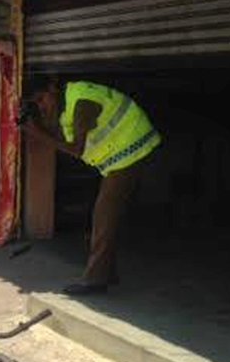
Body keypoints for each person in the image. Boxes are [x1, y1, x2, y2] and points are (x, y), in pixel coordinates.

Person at [21, 78, 161, 295]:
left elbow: (77, 149)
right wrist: (39, 123)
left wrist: (37, 134)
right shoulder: (67, 104)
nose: (42, 106)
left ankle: (95, 281)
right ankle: (106, 273)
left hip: (133, 148)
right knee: (103, 214)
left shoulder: (82, 102)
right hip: (117, 158)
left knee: (103, 215)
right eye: (37, 103)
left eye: (42, 99)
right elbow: (62, 135)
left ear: (52, 88)